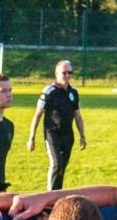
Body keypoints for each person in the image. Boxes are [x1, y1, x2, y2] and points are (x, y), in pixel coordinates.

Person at [28, 60, 85, 190]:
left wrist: (82, 135)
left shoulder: (73, 92)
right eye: (64, 73)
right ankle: (50, 195)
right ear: (56, 74)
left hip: (68, 135)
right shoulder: (49, 91)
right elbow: (38, 114)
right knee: (56, 164)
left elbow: (77, 115)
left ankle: (57, 193)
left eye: (70, 72)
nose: (67, 75)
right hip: (52, 133)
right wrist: (31, 138)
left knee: (62, 167)